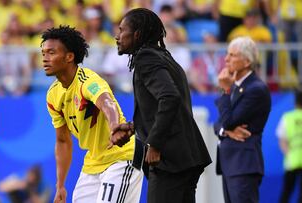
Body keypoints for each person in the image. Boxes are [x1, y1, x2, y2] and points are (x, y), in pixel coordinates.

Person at [112, 8, 212, 203]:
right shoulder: (162, 56)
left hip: (170, 160)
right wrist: (134, 127)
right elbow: (164, 104)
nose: (117, 36)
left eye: (122, 30)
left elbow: (169, 97)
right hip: (186, 156)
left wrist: (155, 144)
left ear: (137, 34)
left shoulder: (146, 58)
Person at [41, 25, 143, 203]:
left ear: (69, 57)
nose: (45, 59)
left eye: (51, 53)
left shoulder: (88, 81)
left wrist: (114, 126)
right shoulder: (53, 94)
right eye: (43, 53)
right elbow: (63, 140)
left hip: (120, 158)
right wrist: (60, 185)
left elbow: (106, 102)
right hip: (93, 163)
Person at [213, 36, 271, 203]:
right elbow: (218, 124)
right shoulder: (235, 86)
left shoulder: (256, 89)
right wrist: (227, 132)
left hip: (244, 164)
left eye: (232, 55)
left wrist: (225, 92)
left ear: (247, 61)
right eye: (227, 54)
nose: (226, 59)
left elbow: (228, 121)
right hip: (231, 164)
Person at [276, 87, 302, 203]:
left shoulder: (287, 118)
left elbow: (282, 141)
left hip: (291, 162)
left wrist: (290, 154)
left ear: (295, 102)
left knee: (286, 192)